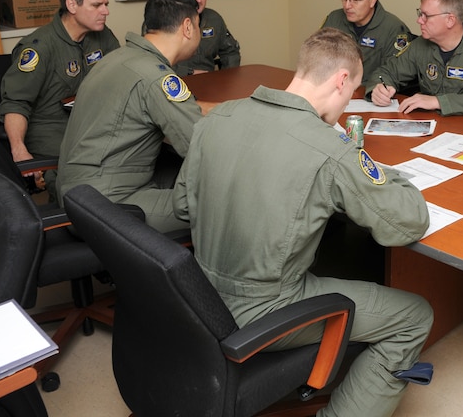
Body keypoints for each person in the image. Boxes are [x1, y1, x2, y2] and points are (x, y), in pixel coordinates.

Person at [173, 28, 434, 417]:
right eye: (353, 93)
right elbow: (409, 222)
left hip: (195, 291)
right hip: (263, 307)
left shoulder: (220, 114)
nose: (348, 104)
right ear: (341, 80)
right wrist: (379, 170)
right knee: (415, 316)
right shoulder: (330, 148)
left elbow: (182, 205)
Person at [57, 0, 203, 234]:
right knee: (223, 207)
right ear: (187, 27)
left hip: (77, 194)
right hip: (106, 205)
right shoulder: (155, 77)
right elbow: (201, 144)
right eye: (199, 26)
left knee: (178, 168)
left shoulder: (118, 58)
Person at [0, 0, 120, 194]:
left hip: (90, 122)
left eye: (106, 4)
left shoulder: (103, 37)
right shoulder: (39, 47)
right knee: (85, 190)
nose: (105, 11)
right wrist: (19, 151)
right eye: (97, 5)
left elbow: (120, 77)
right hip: (52, 132)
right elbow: (15, 103)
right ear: (72, 5)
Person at [321, 0, 413, 81]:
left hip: (369, 94)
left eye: (355, 0)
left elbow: (395, 75)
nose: (347, 6)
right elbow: (318, 59)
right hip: (336, 90)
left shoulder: (394, 29)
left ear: (372, 0)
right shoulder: (334, 19)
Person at [171, 0, 240, 76]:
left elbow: (230, 52)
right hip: (174, 85)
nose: (198, 0)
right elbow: (154, 61)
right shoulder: (161, 20)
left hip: (209, 85)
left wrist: (226, 80)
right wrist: (190, 73)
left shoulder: (214, 19)